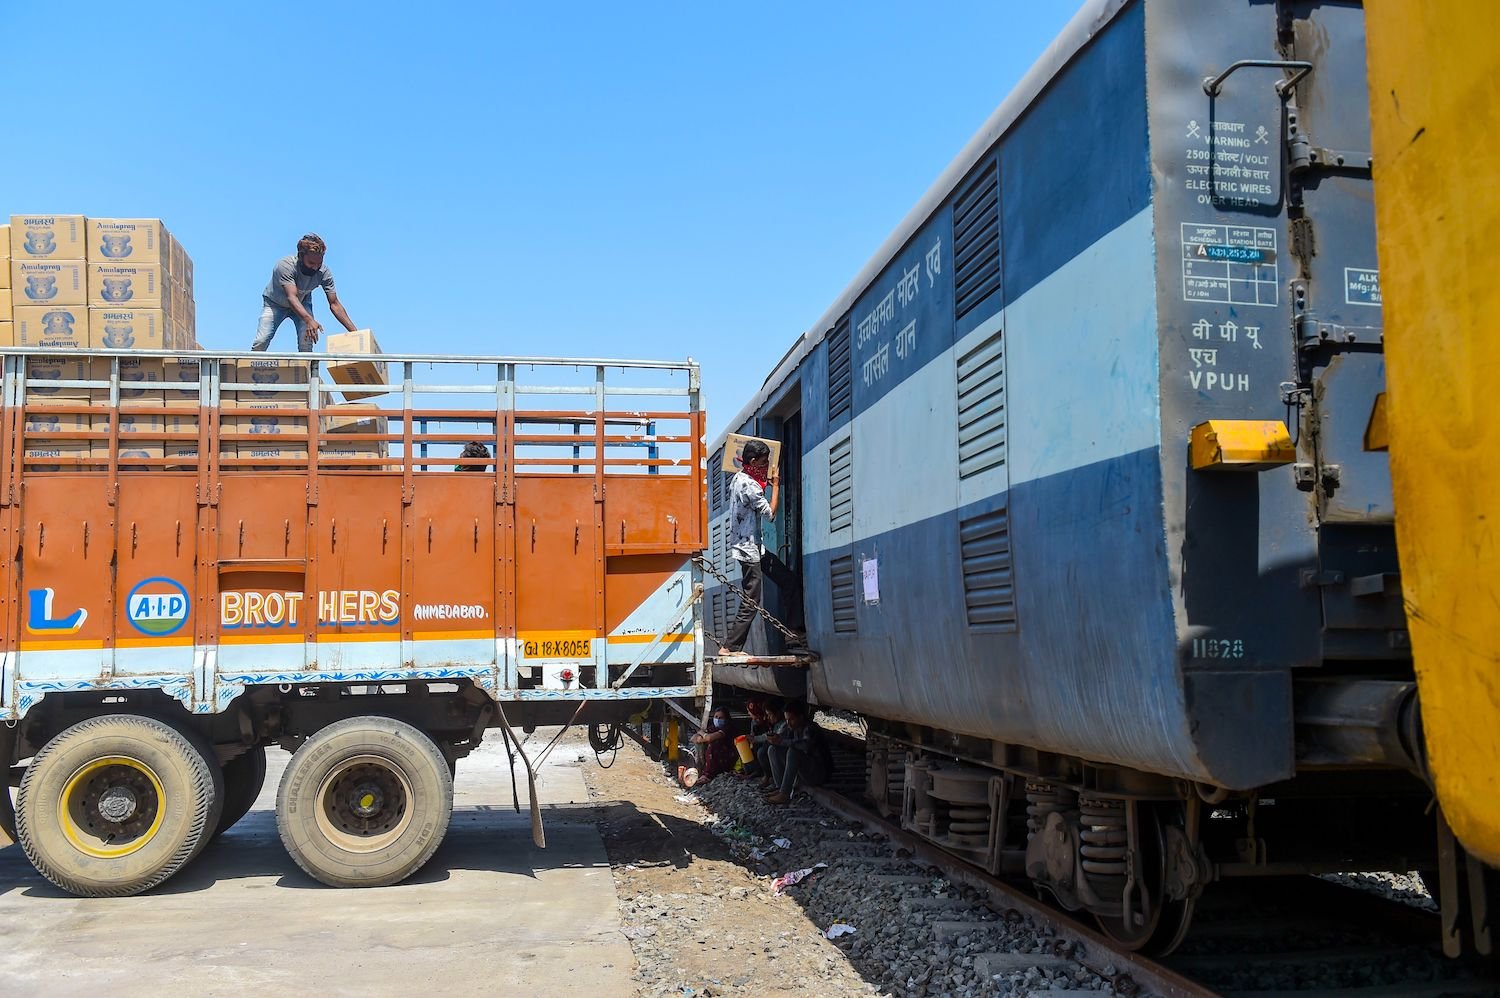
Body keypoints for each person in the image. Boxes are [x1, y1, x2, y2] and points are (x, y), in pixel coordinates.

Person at [720, 440, 804, 656]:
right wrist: (776, 485)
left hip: (754, 547)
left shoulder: (740, 478)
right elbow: (770, 513)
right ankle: (730, 647)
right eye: (765, 462)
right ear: (753, 461)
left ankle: (794, 630)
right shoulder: (750, 485)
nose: (767, 466)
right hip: (749, 550)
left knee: (787, 579)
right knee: (752, 599)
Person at [251, 233, 358, 352]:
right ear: (301, 256)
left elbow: (335, 304)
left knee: (306, 344)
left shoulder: (324, 273)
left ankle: (306, 370)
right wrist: (309, 320)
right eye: (311, 263)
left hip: (302, 302)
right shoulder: (285, 265)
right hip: (275, 304)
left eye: (319, 263)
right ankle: (251, 369)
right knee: (262, 340)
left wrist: (356, 334)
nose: (315, 267)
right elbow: (291, 297)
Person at [765, 701, 832, 805]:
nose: (788, 723)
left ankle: (785, 794)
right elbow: (783, 738)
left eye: (791, 719)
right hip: (805, 771)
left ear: (801, 717)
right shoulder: (793, 727)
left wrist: (782, 741)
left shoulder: (810, 728)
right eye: (786, 720)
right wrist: (775, 739)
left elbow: (804, 745)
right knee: (773, 750)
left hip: (818, 773)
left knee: (793, 752)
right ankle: (780, 788)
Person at [688, 706, 737, 784]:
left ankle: (708, 775)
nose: (717, 719)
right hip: (716, 757)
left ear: (726, 719)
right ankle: (701, 771)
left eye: (721, 718)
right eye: (716, 717)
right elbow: (693, 738)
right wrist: (702, 738)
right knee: (700, 745)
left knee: (713, 745)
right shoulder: (713, 728)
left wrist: (701, 734)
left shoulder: (727, 728)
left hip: (727, 756)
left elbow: (710, 737)